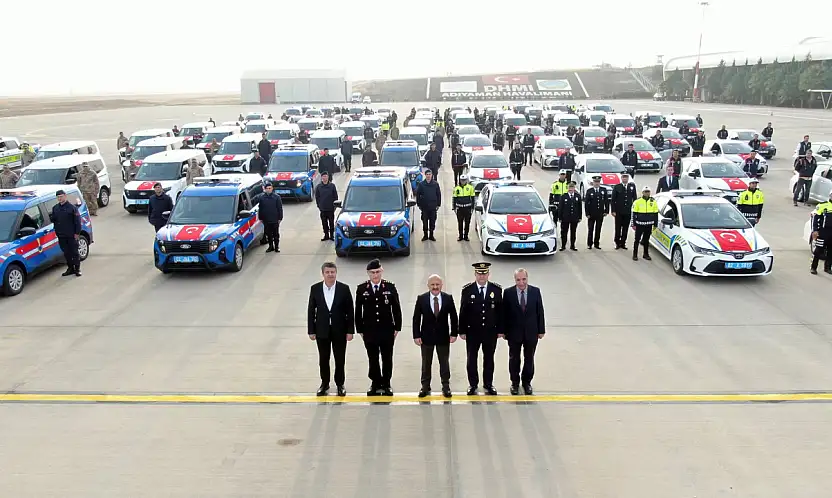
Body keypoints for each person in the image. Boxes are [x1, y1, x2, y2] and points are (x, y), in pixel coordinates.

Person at [355, 259, 402, 395]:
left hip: (387, 329)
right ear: (368, 273)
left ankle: (386, 383)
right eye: (372, 273)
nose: (375, 275)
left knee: (387, 357)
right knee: (373, 357)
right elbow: (358, 310)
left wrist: (397, 327)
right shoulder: (362, 289)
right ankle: (375, 382)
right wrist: (360, 329)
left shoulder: (389, 287)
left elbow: (396, 309)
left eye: (377, 272)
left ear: (381, 271)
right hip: (369, 330)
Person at [307, 261, 354, 397]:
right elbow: (311, 310)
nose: (330, 274)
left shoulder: (344, 289)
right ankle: (325, 383)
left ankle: (340, 384)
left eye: (332, 272)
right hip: (322, 331)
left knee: (340, 359)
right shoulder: (315, 289)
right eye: (327, 272)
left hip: (340, 331)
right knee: (323, 359)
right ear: (323, 274)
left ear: (336, 273)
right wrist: (311, 330)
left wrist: (350, 330)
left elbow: (350, 311)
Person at [458, 262, 503, 395]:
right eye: (479, 273)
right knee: (472, 359)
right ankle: (473, 384)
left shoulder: (496, 290)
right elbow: (463, 311)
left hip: (490, 332)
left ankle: (488, 384)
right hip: (473, 332)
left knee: (489, 358)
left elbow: (500, 312)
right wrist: (462, 330)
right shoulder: (467, 290)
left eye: (484, 273)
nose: (482, 276)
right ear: (475, 274)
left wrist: (501, 329)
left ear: (488, 274)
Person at [412, 274, 458, 398]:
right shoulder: (421, 299)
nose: (435, 287)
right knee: (426, 363)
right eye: (432, 284)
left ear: (442, 285)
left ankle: (446, 386)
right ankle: (425, 386)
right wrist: (416, 335)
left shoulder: (448, 298)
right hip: (426, 338)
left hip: (443, 337)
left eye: (437, 284)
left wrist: (454, 333)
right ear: (428, 285)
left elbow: (454, 317)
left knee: (444, 363)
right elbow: (416, 318)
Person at [502, 268, 545, 395]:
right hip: (514, 333)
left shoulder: (535, 292)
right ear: (515, 280)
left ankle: (527, 382)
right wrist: (504, 331)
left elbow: (540, 311)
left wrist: (541, 330)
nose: (521, 283)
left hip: (531, 332)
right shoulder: (508, 293)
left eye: (523, 279)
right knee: (514, 358)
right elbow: (504, 313)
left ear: (527, 278)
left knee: (529, 358)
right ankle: (514, 383)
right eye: (518, 280)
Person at [49, 190, 82, 277]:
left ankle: (77, 269)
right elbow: (54, 219)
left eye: (61, 196)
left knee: (74, 252)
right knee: (66, 253)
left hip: (71, 235)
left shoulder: (72, 208)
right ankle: (70, 268)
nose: (60, 198)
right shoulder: (55, 208)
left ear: (65, 196)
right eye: (58, 197)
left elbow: (77, 222)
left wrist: (77, 233)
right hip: (61, 235)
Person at [631, 186, 659, 261]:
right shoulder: (637, 201)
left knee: (646, 240)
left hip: (649, 225)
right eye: (645, 192)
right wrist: (633, 224)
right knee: (637, 240)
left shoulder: (653, 201)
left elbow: (656, 213)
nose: (647, 193)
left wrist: (655, 224)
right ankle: (635, 254)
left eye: (648, 192)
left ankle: (645, 254)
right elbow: (633, 214)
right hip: (639, 224)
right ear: (643, 192)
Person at [611, 172, 637, 249]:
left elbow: (634, 199)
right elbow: (613, 200)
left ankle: (623, 242)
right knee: (618, 228)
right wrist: (613, 210)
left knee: (625, 228)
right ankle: (617, 242)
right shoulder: (617, 187)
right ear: (621, 178)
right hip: (619, 211)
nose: (625, 179)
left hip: (628, 211)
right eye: (623, 177)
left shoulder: (631, 186)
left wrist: (634, 210)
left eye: (626, 177)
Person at [809, 192, 832, 275]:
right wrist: (815, 230)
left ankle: (828, 267)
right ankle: (813, 267)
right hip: (823, 232)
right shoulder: (823, 205)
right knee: (818, 250)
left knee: (830, 251)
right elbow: (816, 218)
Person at [415, 169, 441, 241]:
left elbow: (438, 194)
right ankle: (425, 235)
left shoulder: (435, 184)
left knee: (432, 221)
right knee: (425, 221)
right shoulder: (421, 184)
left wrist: (438, 204)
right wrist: (419, 204)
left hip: (433, 207)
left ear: (432, 175)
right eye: (427, 174)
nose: (428, 176)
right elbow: (418, 195)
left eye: (430, 174)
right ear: (425, 175)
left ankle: (431, 235)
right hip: (424, 207)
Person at [258, 182, 283, 252]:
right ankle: (270, 246)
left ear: (272, 189)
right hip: (266, 220)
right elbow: (261, 208)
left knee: (276, 234)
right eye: (267, 188)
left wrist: (280, 218)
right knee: (268, 234)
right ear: (265, 189)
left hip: (275, 219)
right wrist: (261, 218)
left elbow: (280, 208)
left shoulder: (277, 197)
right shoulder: (262, 198)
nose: (268, 190)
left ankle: (277, 247)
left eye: (270, 188)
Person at [584, 175, 608, 249]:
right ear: (593, 183)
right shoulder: (589, 191)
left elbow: (606, 201)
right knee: (591, 229)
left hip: (600, 213)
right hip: (591, 214)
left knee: (598, 229)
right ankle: (589, 243)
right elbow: (586, 203)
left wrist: (606, 211)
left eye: (598, 182)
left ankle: (596, 243)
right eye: (595, 182)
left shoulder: (603, 190)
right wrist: (587, 213)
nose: (597, 183)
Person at [315, 171, 338, 240]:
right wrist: (319, 206)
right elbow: (317, 197)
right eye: (323, 176)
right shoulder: (319, 187)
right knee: (324, 223)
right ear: (321, 178)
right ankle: (326, 235)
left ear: (328, 177)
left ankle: (331, 235)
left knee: (331, 223)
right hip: (323, 209)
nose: (325, 178)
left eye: (326, 176)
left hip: (330, 209)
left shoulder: (332, 186)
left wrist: (334, 206)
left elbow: (335, 197)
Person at [559, 181, 582, 251]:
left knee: (573, 232)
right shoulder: (563, 196)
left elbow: (579, 208)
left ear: (574, 188)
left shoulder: (577, 196)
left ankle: (572, 245)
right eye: (569, 187)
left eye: (572, 187)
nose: (571, 189)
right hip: (565, 218)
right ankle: (563, 246)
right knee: (564, 232)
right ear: (567, 188)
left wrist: (580, 217)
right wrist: (560, 217)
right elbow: (560, 208)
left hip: (574, 218)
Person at [452, 174, 475, 241]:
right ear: (460, 180)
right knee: (460, 223)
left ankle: (466, 236)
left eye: (464, 180)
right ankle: (460, 236)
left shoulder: (470, 187)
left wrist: (472, 207)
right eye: (462, 180)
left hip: (468, 208)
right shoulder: (456, 188)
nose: (463, 181)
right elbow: (454, 198)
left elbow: (473, 198)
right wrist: (454, 207)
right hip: (459, 209)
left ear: (466, 180)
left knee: (467, 223)